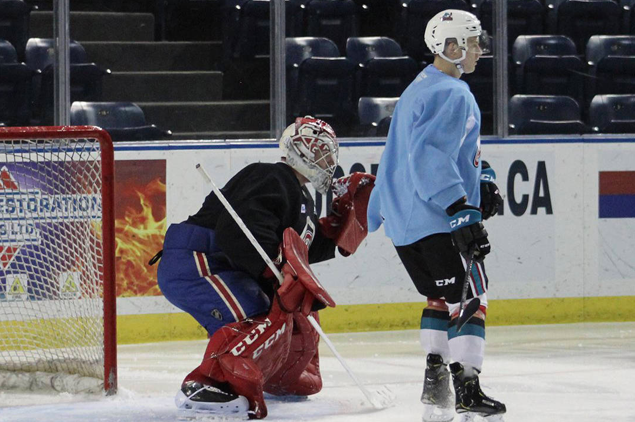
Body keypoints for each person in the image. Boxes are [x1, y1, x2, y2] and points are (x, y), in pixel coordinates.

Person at [154, 116, 375, 419]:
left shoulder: (300, 199)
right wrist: (272, 271)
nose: (328, 160)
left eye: (329, 153)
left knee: (286, 314)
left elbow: (300, 248)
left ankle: (268, 373)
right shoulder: (272, 177)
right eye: (321, 150)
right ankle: (208, 384)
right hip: (197, 258)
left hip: (220, 262)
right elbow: (237, 233)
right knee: (261, 316)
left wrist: (340, 229)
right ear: (300, 149)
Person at [366, 10, 506, 422]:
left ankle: (435, 382)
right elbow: (429, 157)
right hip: (436, 217)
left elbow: (416, 153)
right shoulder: (453, 93)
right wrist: (460, 207)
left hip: (405, 222)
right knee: (471, 298)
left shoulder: (420, 86)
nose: (480, 50)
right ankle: (467, 388)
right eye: (474, 42)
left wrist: (481, 177)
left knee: (440, 298)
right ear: (452, 47)